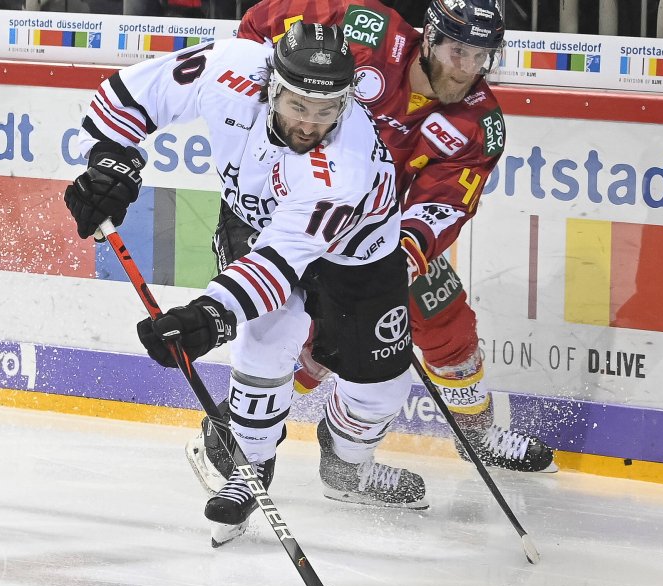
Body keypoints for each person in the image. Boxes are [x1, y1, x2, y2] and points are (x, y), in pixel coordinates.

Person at [64, 22, 430, 545]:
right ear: (272, 85)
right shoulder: (231, 66)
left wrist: (206, 317)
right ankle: (250, 466)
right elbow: (128, 97)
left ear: (346, 102)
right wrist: (108, 161)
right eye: (299, 104)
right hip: (253, 221)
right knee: (264, 342)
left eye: (326, 110)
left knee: (381, 388)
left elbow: (279, 268)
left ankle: (348, 467)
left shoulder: (343, 168)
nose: (310, 123)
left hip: (358, 253)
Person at [185, 0, 555, 492]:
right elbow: (263, 22)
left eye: (480, 55)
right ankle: (232, 428)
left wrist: (394, 261)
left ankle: (473, 434)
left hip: (376, 237)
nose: (467, 67)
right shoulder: (368, 28)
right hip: (292, 212)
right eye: (458, 50)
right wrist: (263, 105)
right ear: (430, 37)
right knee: (299, 335)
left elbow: (444, 204)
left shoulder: (478, 124)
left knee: (446, 318)